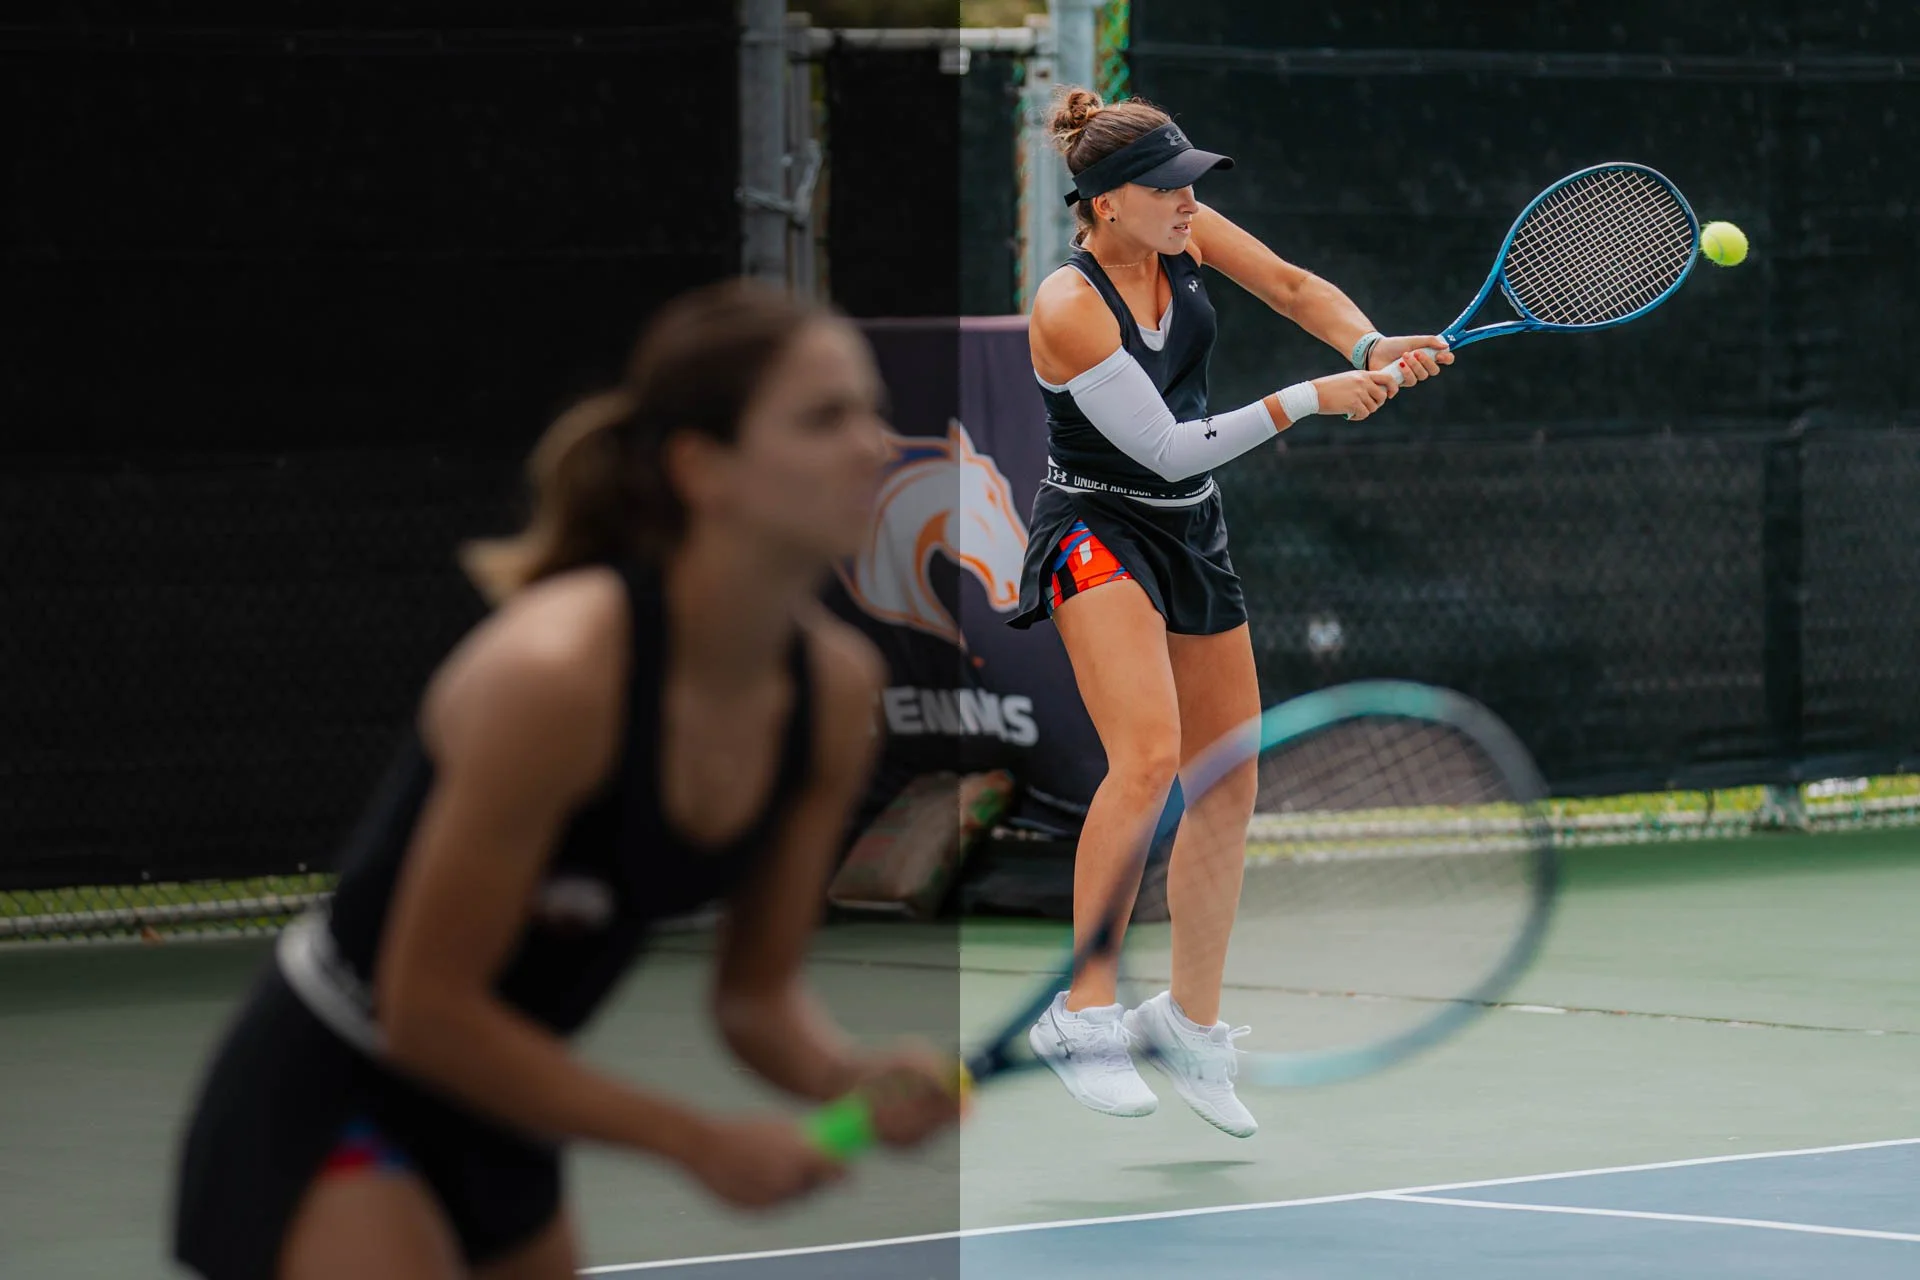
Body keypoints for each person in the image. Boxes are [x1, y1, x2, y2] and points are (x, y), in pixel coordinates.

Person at [172, 280, 960, 1280]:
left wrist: (850, 1073)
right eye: (823, 418)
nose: (875, 445)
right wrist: (696, 1140)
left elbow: (756, 997)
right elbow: (426, 1008)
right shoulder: (558, 675)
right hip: (334, 1088)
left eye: (870, 410)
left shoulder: (837, 694)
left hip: (499, 1104)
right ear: (701, 467)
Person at [1009, 88, 1454, 1138]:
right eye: (1167, 188)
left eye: (1192, 184)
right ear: (1106, 204)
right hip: (1095, 526)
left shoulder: (1185, 234)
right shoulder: (1068, 306)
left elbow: (1295, 287)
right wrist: (1308, 399)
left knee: (1229, 774)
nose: (1187, 201)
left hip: (1190, 528)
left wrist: (1366, 345)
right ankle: (1083, 1014)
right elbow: (1166, 449)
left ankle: (1190, 1024)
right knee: (1149, 757)